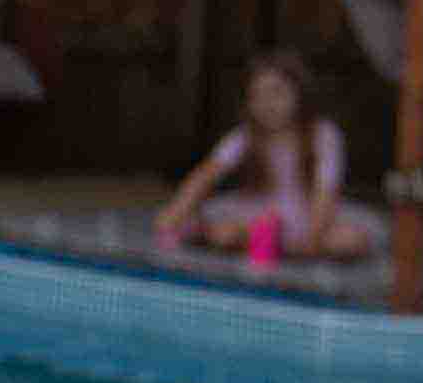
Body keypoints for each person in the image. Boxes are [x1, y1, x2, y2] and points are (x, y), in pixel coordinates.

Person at [153, 47, 375, 261]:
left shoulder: (323, 134)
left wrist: (313, 238)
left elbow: (325, 191)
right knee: (217, 231)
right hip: (256, 213)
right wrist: (174, 213)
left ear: (299, 94)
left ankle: (271, 244)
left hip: (308, 215)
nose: (267, 104)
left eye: (277, 92)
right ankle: (265, 242)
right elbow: (205, 175)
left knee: (351, 240)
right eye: (257, 96)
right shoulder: (244, 136)